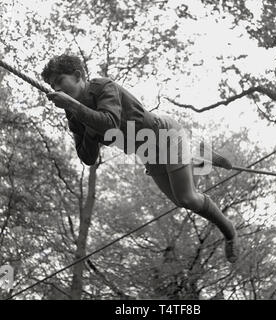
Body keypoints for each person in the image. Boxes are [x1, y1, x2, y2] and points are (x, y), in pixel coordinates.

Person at [41, 54, 239, 263]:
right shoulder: (73, 116)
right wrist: (86, 128)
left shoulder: (102, 87)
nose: (57, 90)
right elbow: (87, 157)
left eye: (60, 81)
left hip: (164, 134)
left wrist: (76, 108)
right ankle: (201, 159)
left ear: (78, 75)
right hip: (146, 151)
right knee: (182, 202)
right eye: (53, 86)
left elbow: (109, 123)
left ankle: (230, 232)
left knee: (187, 197)